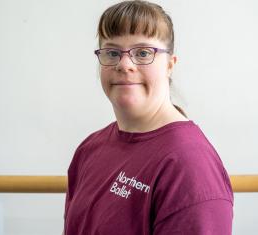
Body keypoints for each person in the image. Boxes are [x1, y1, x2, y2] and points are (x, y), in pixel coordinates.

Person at [63, 1, 234, 234]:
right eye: (112, 52)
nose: (124, 64)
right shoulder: (89, 149)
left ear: (170, 65)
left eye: (143, 52)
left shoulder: (189, 165)